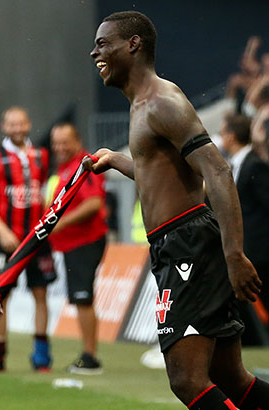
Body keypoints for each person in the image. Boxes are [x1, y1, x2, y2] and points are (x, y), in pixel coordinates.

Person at [87, 11, 269, 408]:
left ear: (132, 44)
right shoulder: (142, 105)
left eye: (102, 44)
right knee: (230, 377)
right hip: (180, 244)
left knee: (187, 380)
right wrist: (116, 160)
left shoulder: (161, 102)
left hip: (188, 246)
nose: (94, 53)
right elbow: (160, 177)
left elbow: (217, 171)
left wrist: (234, 255)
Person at [0, 106, 55, 372]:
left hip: (37, 239)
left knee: (41, 293)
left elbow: (45, 193)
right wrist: (2, 230)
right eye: (12, 124)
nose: (17, 128)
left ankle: (41, 357)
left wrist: (45, 225)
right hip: (6, 240)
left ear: (28, 124)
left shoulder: (42, 155)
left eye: (21, 123)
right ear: (4, 127)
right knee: (0, 297)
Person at [48, 122, 107, 374]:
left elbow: (93, 204)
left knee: (83, 298)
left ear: (77, 141)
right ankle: (88, 354)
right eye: (56, 142)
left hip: (85, 241)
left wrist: (59, 223)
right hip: (73, 243)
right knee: (80, 298)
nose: (59, 147)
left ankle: (90, 357)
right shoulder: (65, 168)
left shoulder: (85, 165)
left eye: (65, 142)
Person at [221, 113, 269, 312]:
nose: (221, 138)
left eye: (222, 133)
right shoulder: (235, 165)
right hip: (250, 250)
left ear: (231, 136)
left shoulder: (254, 164)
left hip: (262, 249)